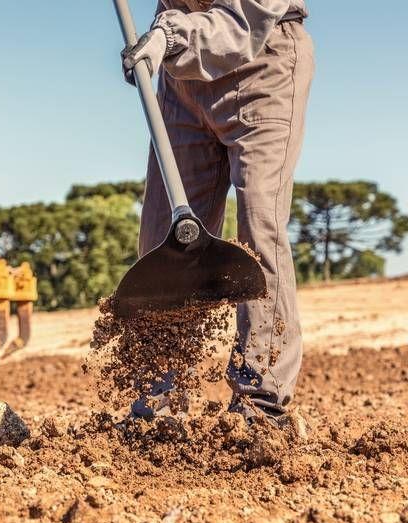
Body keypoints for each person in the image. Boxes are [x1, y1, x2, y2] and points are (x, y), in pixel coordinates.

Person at [121, 0, 313, 423]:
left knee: (259, 225)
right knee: (162, 235)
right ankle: (158, 399)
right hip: (182, 81)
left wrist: (170, 37)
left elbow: (246, 19)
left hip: (263, 59)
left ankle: (260, 401)